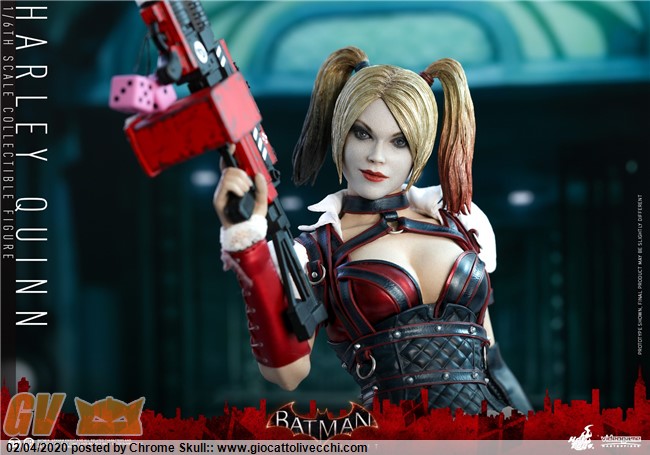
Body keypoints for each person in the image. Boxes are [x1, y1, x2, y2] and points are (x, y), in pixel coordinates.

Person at [213, 47, 531, 414]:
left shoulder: (460, 222)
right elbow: (287, 374)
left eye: (399, 141)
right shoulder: (316, 251)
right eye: (362, 134)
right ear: (341, 133)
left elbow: (491, 359)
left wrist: (535, 431)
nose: (377, 156)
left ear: (419, 148)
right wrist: (248, 248)